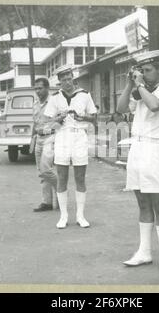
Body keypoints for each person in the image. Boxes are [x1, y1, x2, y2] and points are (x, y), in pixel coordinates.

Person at [116, 50, 159, 275]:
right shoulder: (139, 90)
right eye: (141, 71)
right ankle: (144, 251)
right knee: (142, 203)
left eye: (148, 70)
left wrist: (139, 85)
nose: (144, 74)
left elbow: (154, 106)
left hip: (155, 148)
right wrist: (128, 85)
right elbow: (121, 109)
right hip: (137, 147)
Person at [44, 64, 97, 229]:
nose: (67, 82)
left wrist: (83, 117)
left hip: (79, 136)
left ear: (73, 78)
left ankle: (80, 216)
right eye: (63, 80)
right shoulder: (54, 98)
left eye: (69, 78)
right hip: (62, 136)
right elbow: (48, 122)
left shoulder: (84, 95)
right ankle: (64, 216)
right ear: (59, 81)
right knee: (62, 177)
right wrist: (58, 118)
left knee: (80, 177)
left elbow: (94, 117)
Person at [31, 77, 59, 212]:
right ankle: (47, 202)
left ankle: (61, 190)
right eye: (36, 88)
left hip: (50, 137)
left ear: (47, 88)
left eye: (40, 88)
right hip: (39, 139)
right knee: (41, 172)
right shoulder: (35, 104)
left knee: (46, 169)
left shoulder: (54, 102)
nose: (38, 91)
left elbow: (60, 120)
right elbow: (35, 123)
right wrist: (32, 139)